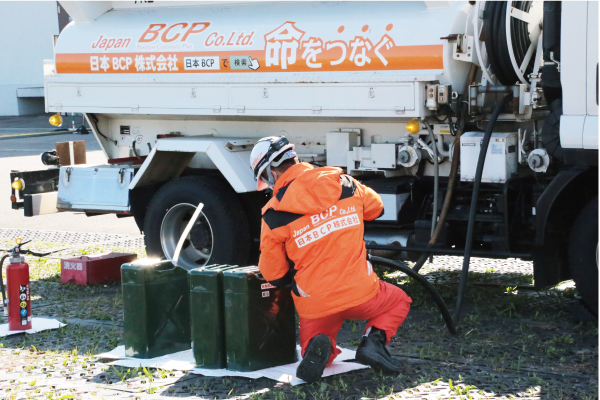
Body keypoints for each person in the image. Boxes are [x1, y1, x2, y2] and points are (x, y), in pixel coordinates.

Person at [250, 136, 412, 383]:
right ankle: (373, 342)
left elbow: (275, 275)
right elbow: (376, 208)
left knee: (313, 348)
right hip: (361, 291)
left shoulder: (272, 215)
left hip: (314, 301)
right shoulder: (344, 183)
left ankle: (318, 346)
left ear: (272, 172)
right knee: (399, 300)